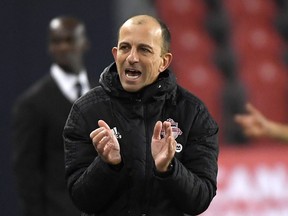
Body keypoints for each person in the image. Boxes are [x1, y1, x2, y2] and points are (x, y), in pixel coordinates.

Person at [63, 15, 219, 216]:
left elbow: (200, 199)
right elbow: (81, 199)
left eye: (144, 49)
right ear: (115, 53)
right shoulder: (86, 111)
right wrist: (107, 166)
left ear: (164, 62)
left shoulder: (194, 114)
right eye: (125, 48)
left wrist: (169, 169)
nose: (132, 58)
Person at [12, 16, 96, 216]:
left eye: (70, 40)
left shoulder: (102, 96)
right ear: (50, 47)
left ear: (84, 43)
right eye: (57, 41)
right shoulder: (32, 105)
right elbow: (26, 175)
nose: (64, 47)